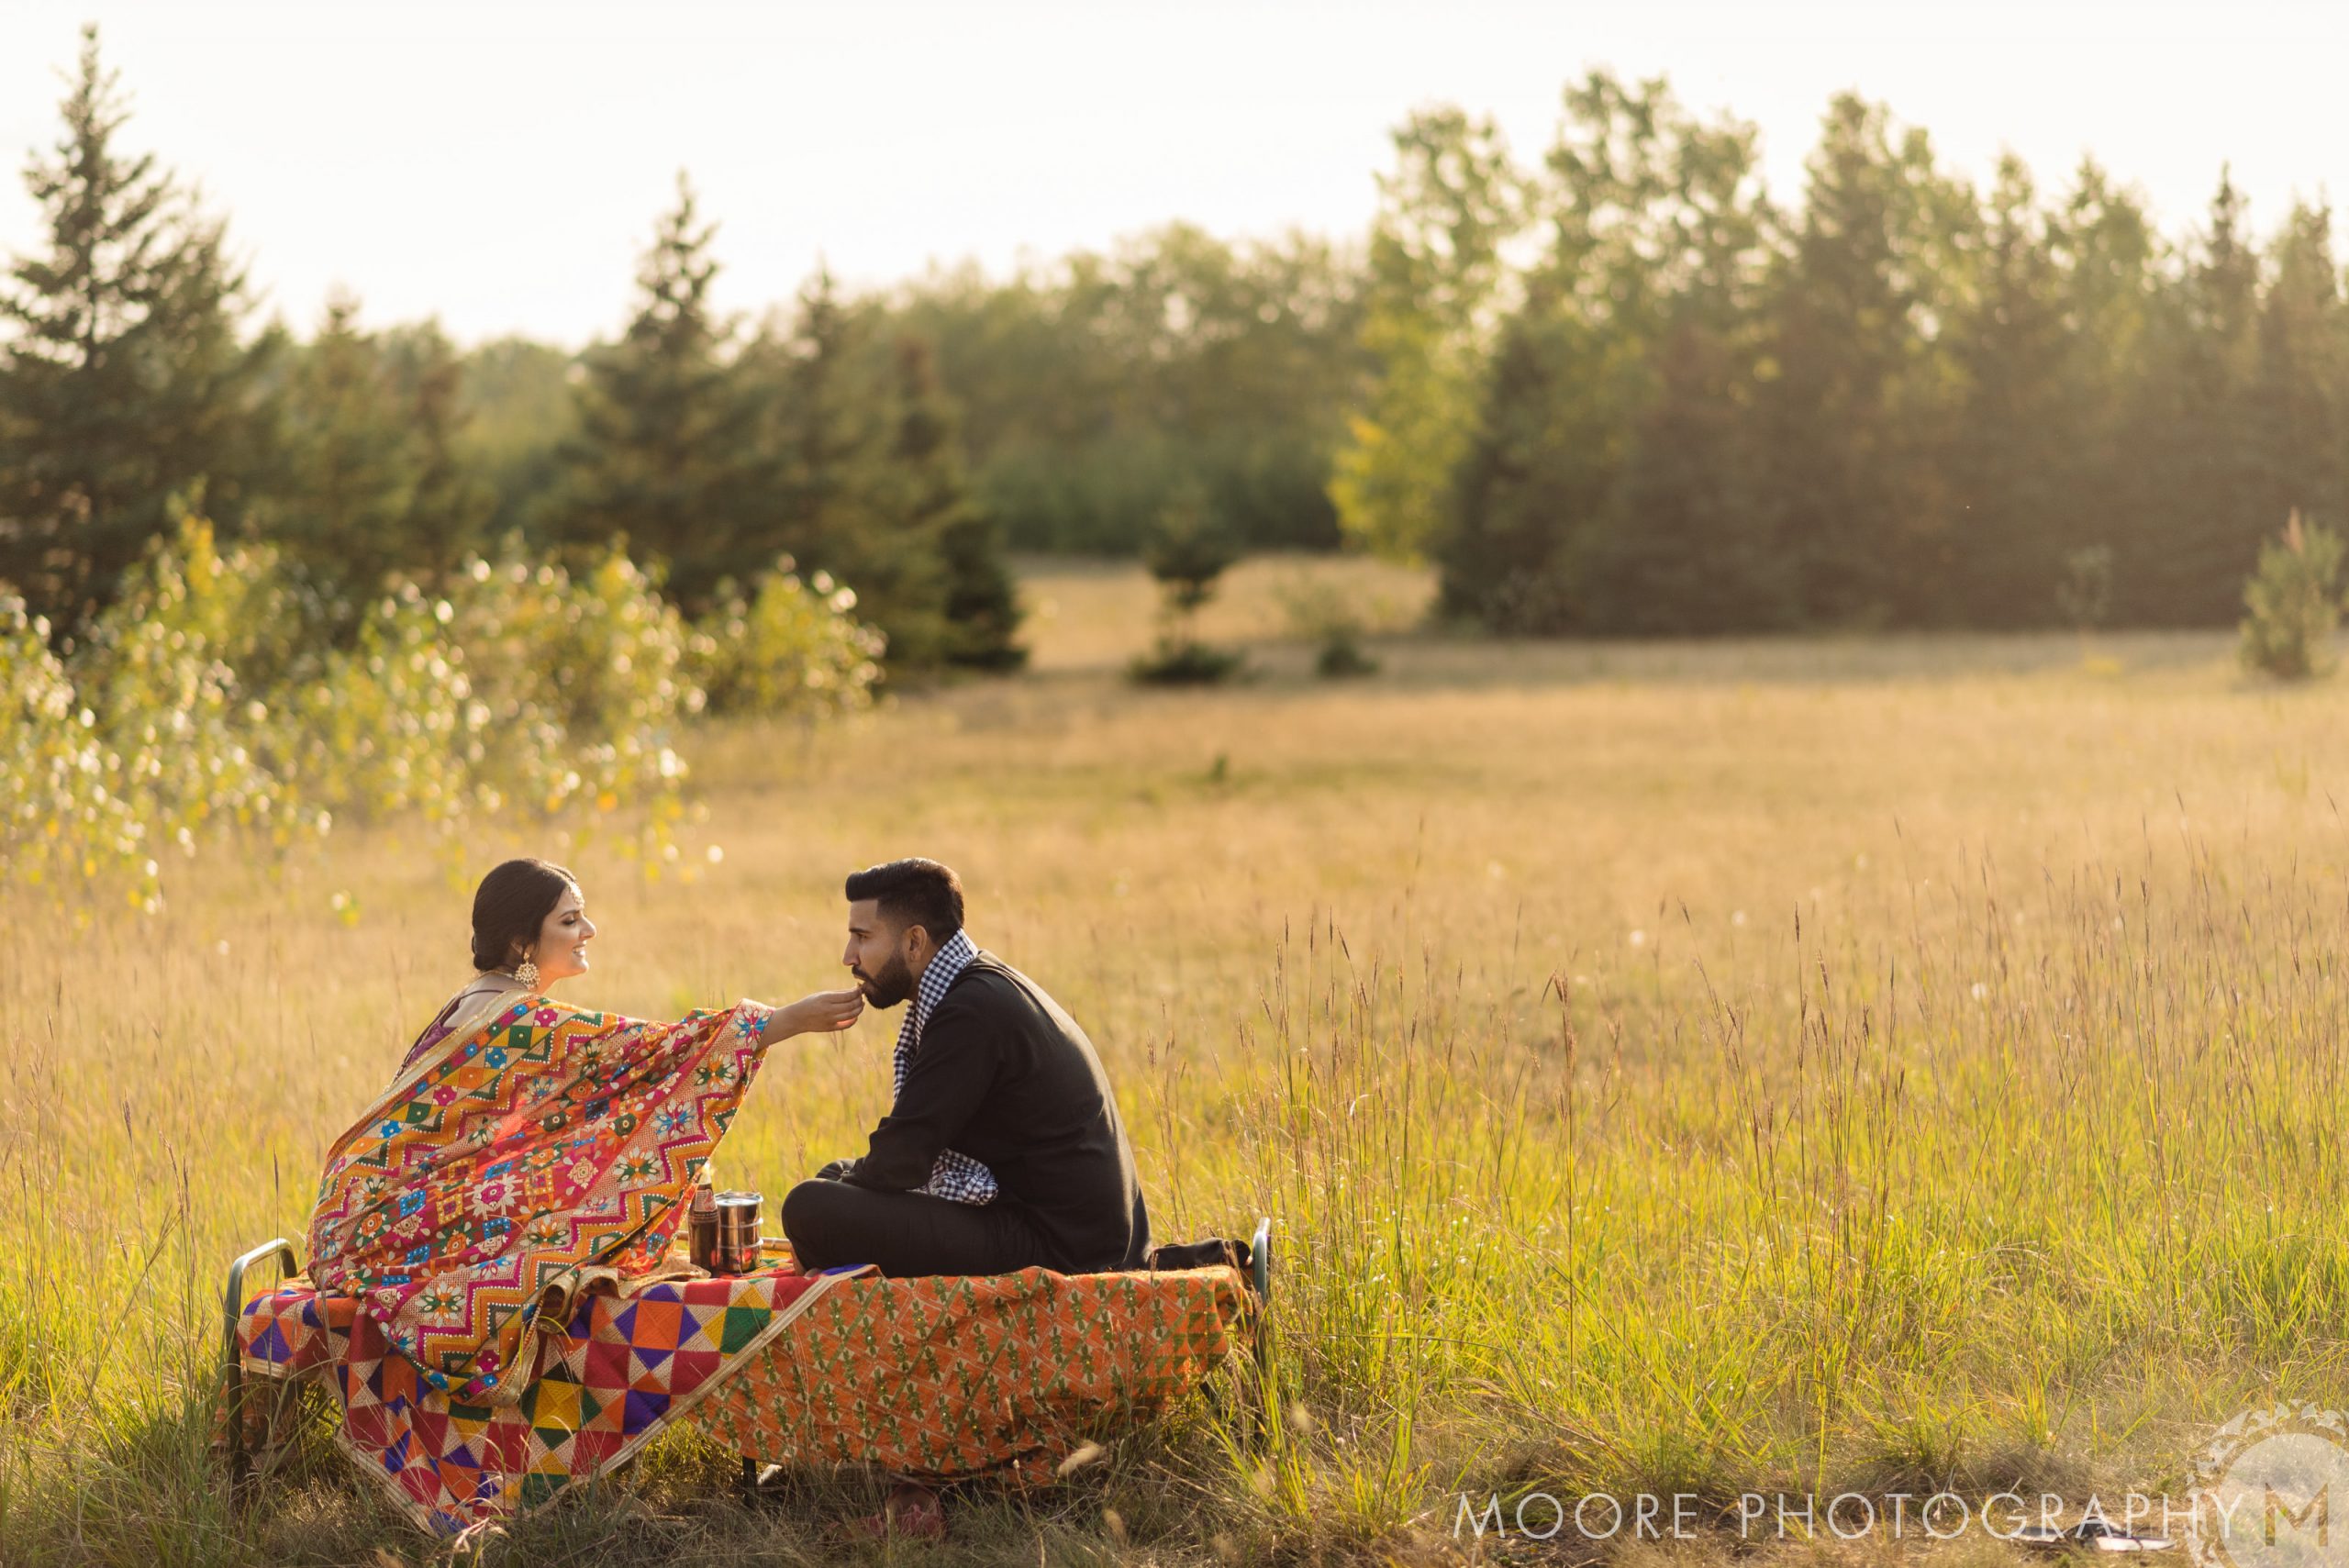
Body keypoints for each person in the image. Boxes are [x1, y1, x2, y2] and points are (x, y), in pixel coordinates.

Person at [303, 856, 863, 1404]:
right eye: (570, 921)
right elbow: (661, 1053)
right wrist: (790, 1019)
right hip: (371, 1228)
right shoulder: (517, 1018)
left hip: (352, 1216)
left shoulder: (487, 1001)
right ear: (524, 942)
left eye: (582, 915)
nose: (588, 930)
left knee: (569, 1173)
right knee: (559, 1206)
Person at [781, 857, 1151, 1278]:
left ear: (914, 943)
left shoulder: (970, 1011)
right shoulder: (974, 987)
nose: (849, 957)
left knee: (808, 1207)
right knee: (834, 1180)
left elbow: (902, 1159)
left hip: (1060, 1247)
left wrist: (828, 1223)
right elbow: (901, 1157)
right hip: (1042, 1219)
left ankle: (828, 1258)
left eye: (862, 937)